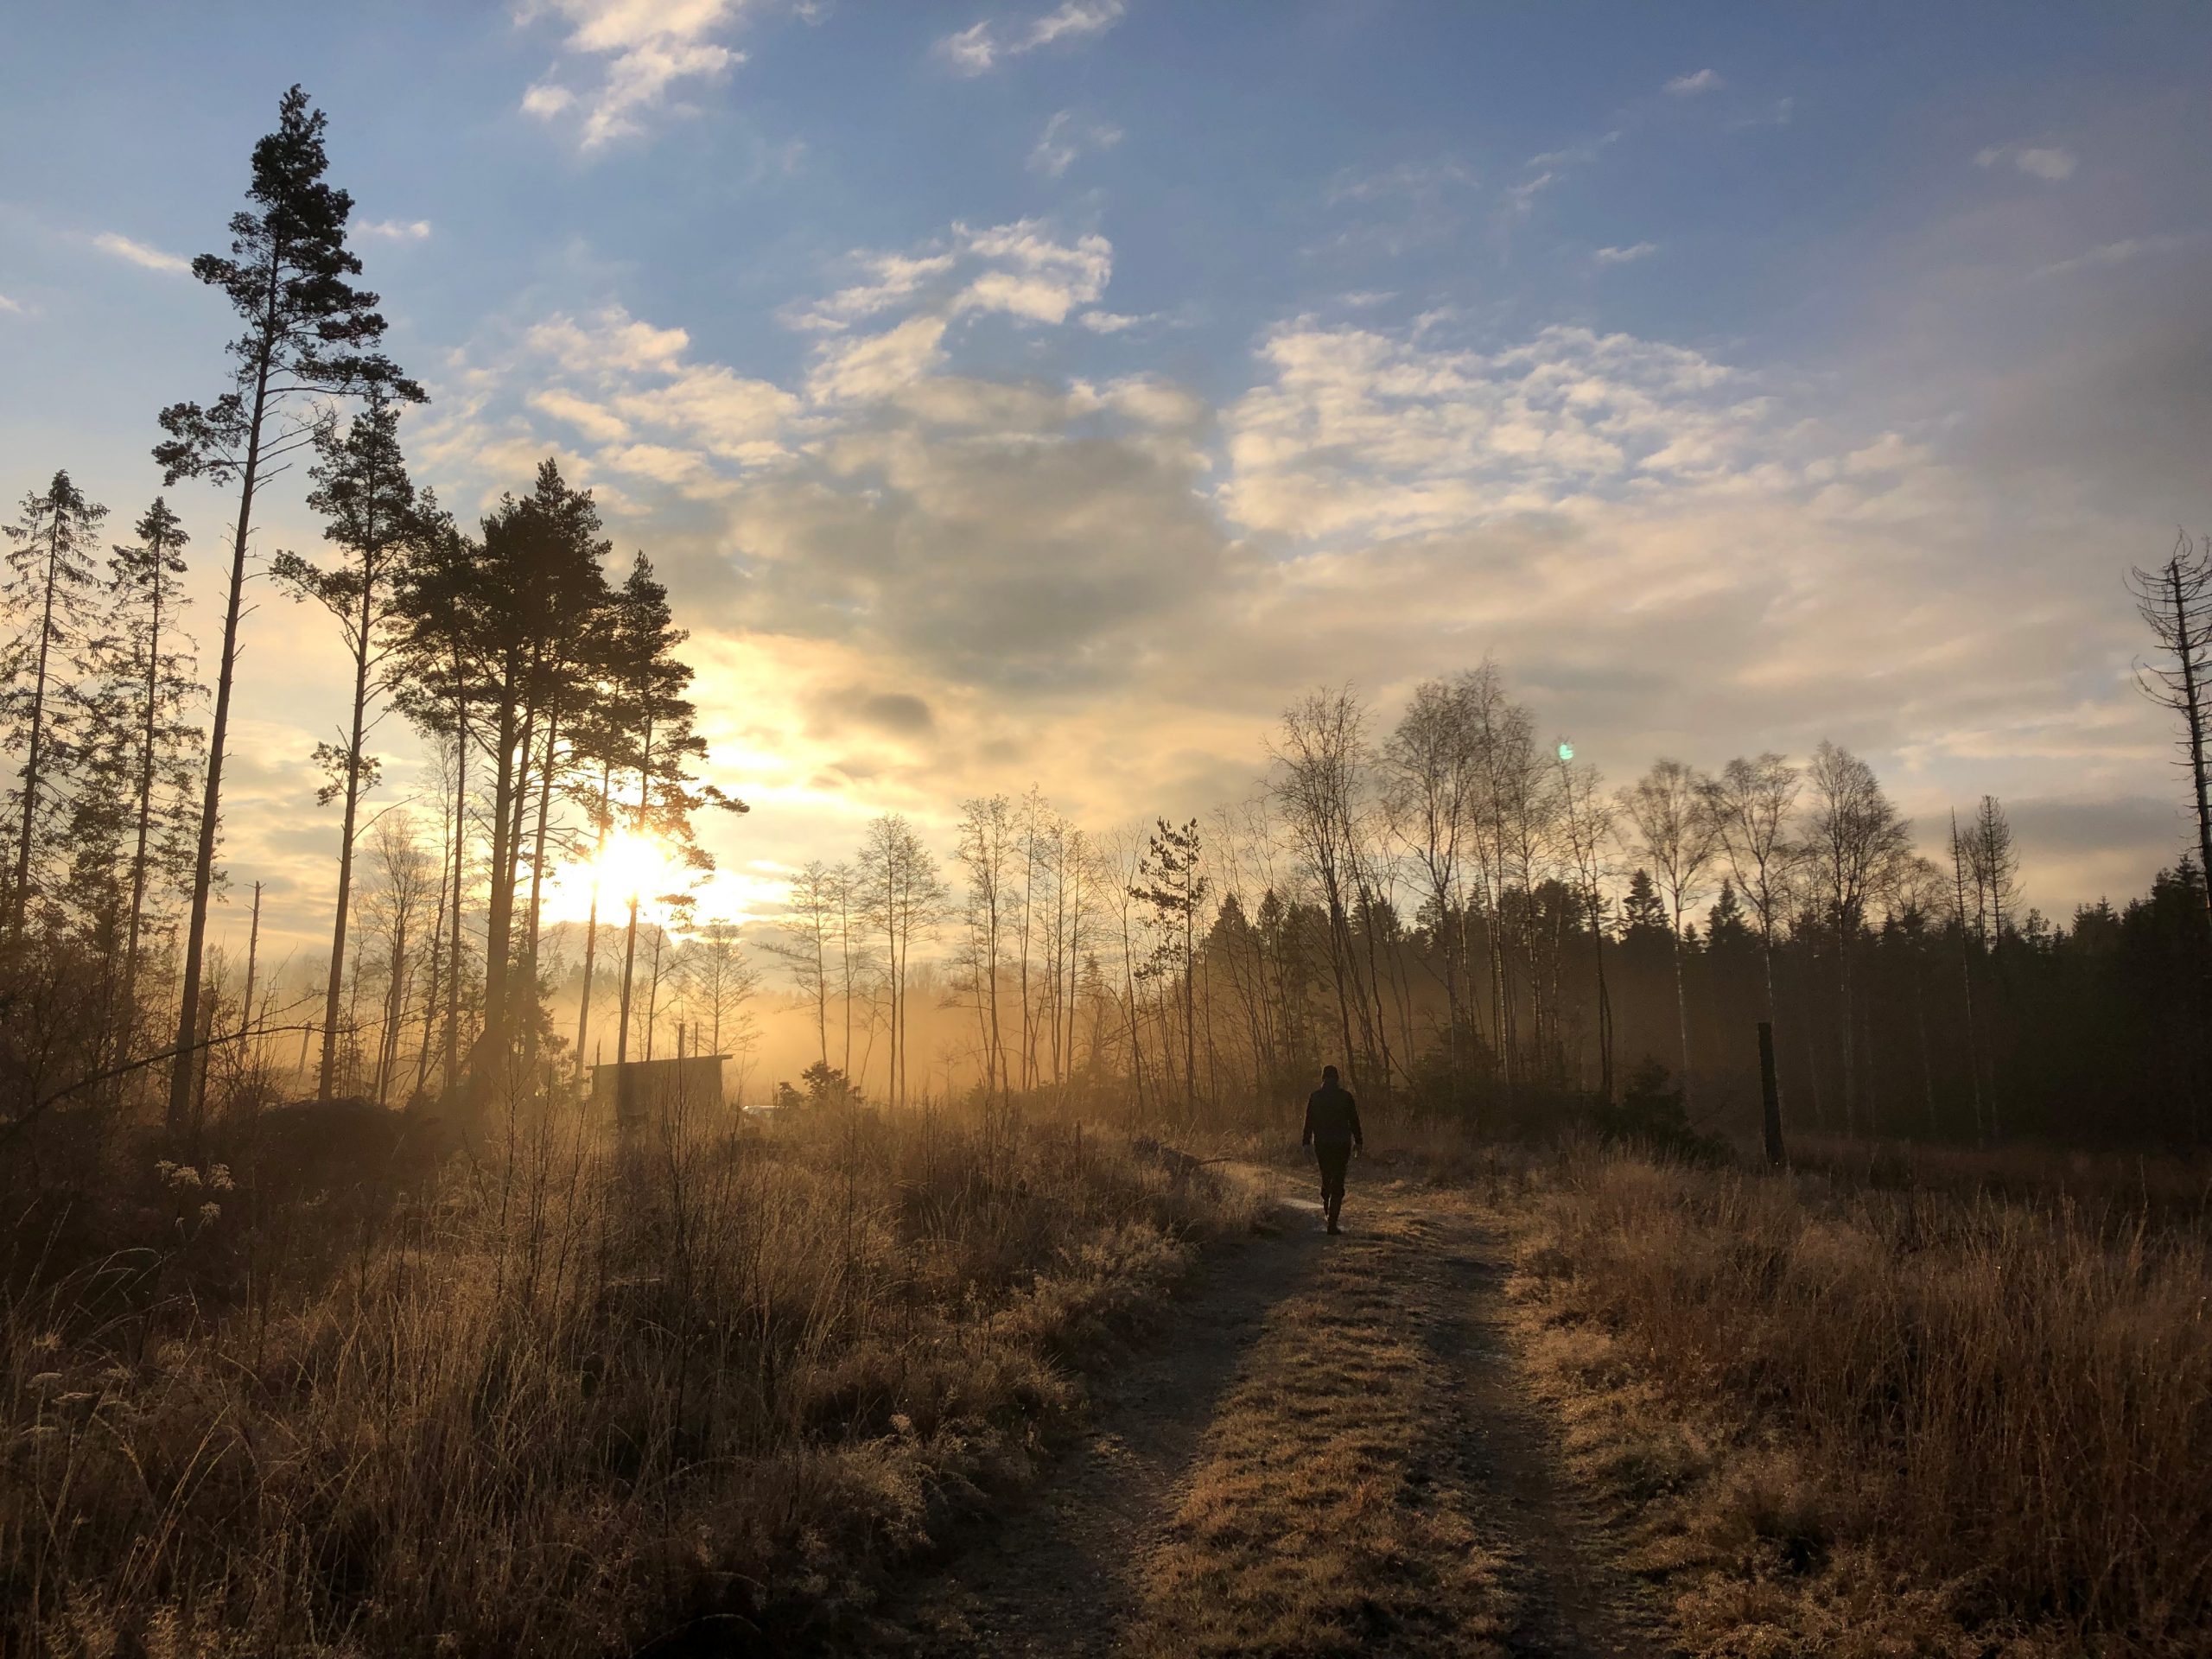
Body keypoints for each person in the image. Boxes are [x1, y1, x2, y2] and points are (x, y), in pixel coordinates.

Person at [1300, 1065, 1363, 1235]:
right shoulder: (1346, 1097)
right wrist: (1359, 1142)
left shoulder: (1315, 1097)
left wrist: (1306, 1143)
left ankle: (1325, 1193)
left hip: (1322, 1144)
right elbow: (1354, 1121)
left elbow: (1309, 1122)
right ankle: (1332, 1223)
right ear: (1337, 1079)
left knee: (1326, 1175)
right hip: (1342, 1144)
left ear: (1323, 1078)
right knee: (1338, 1180)